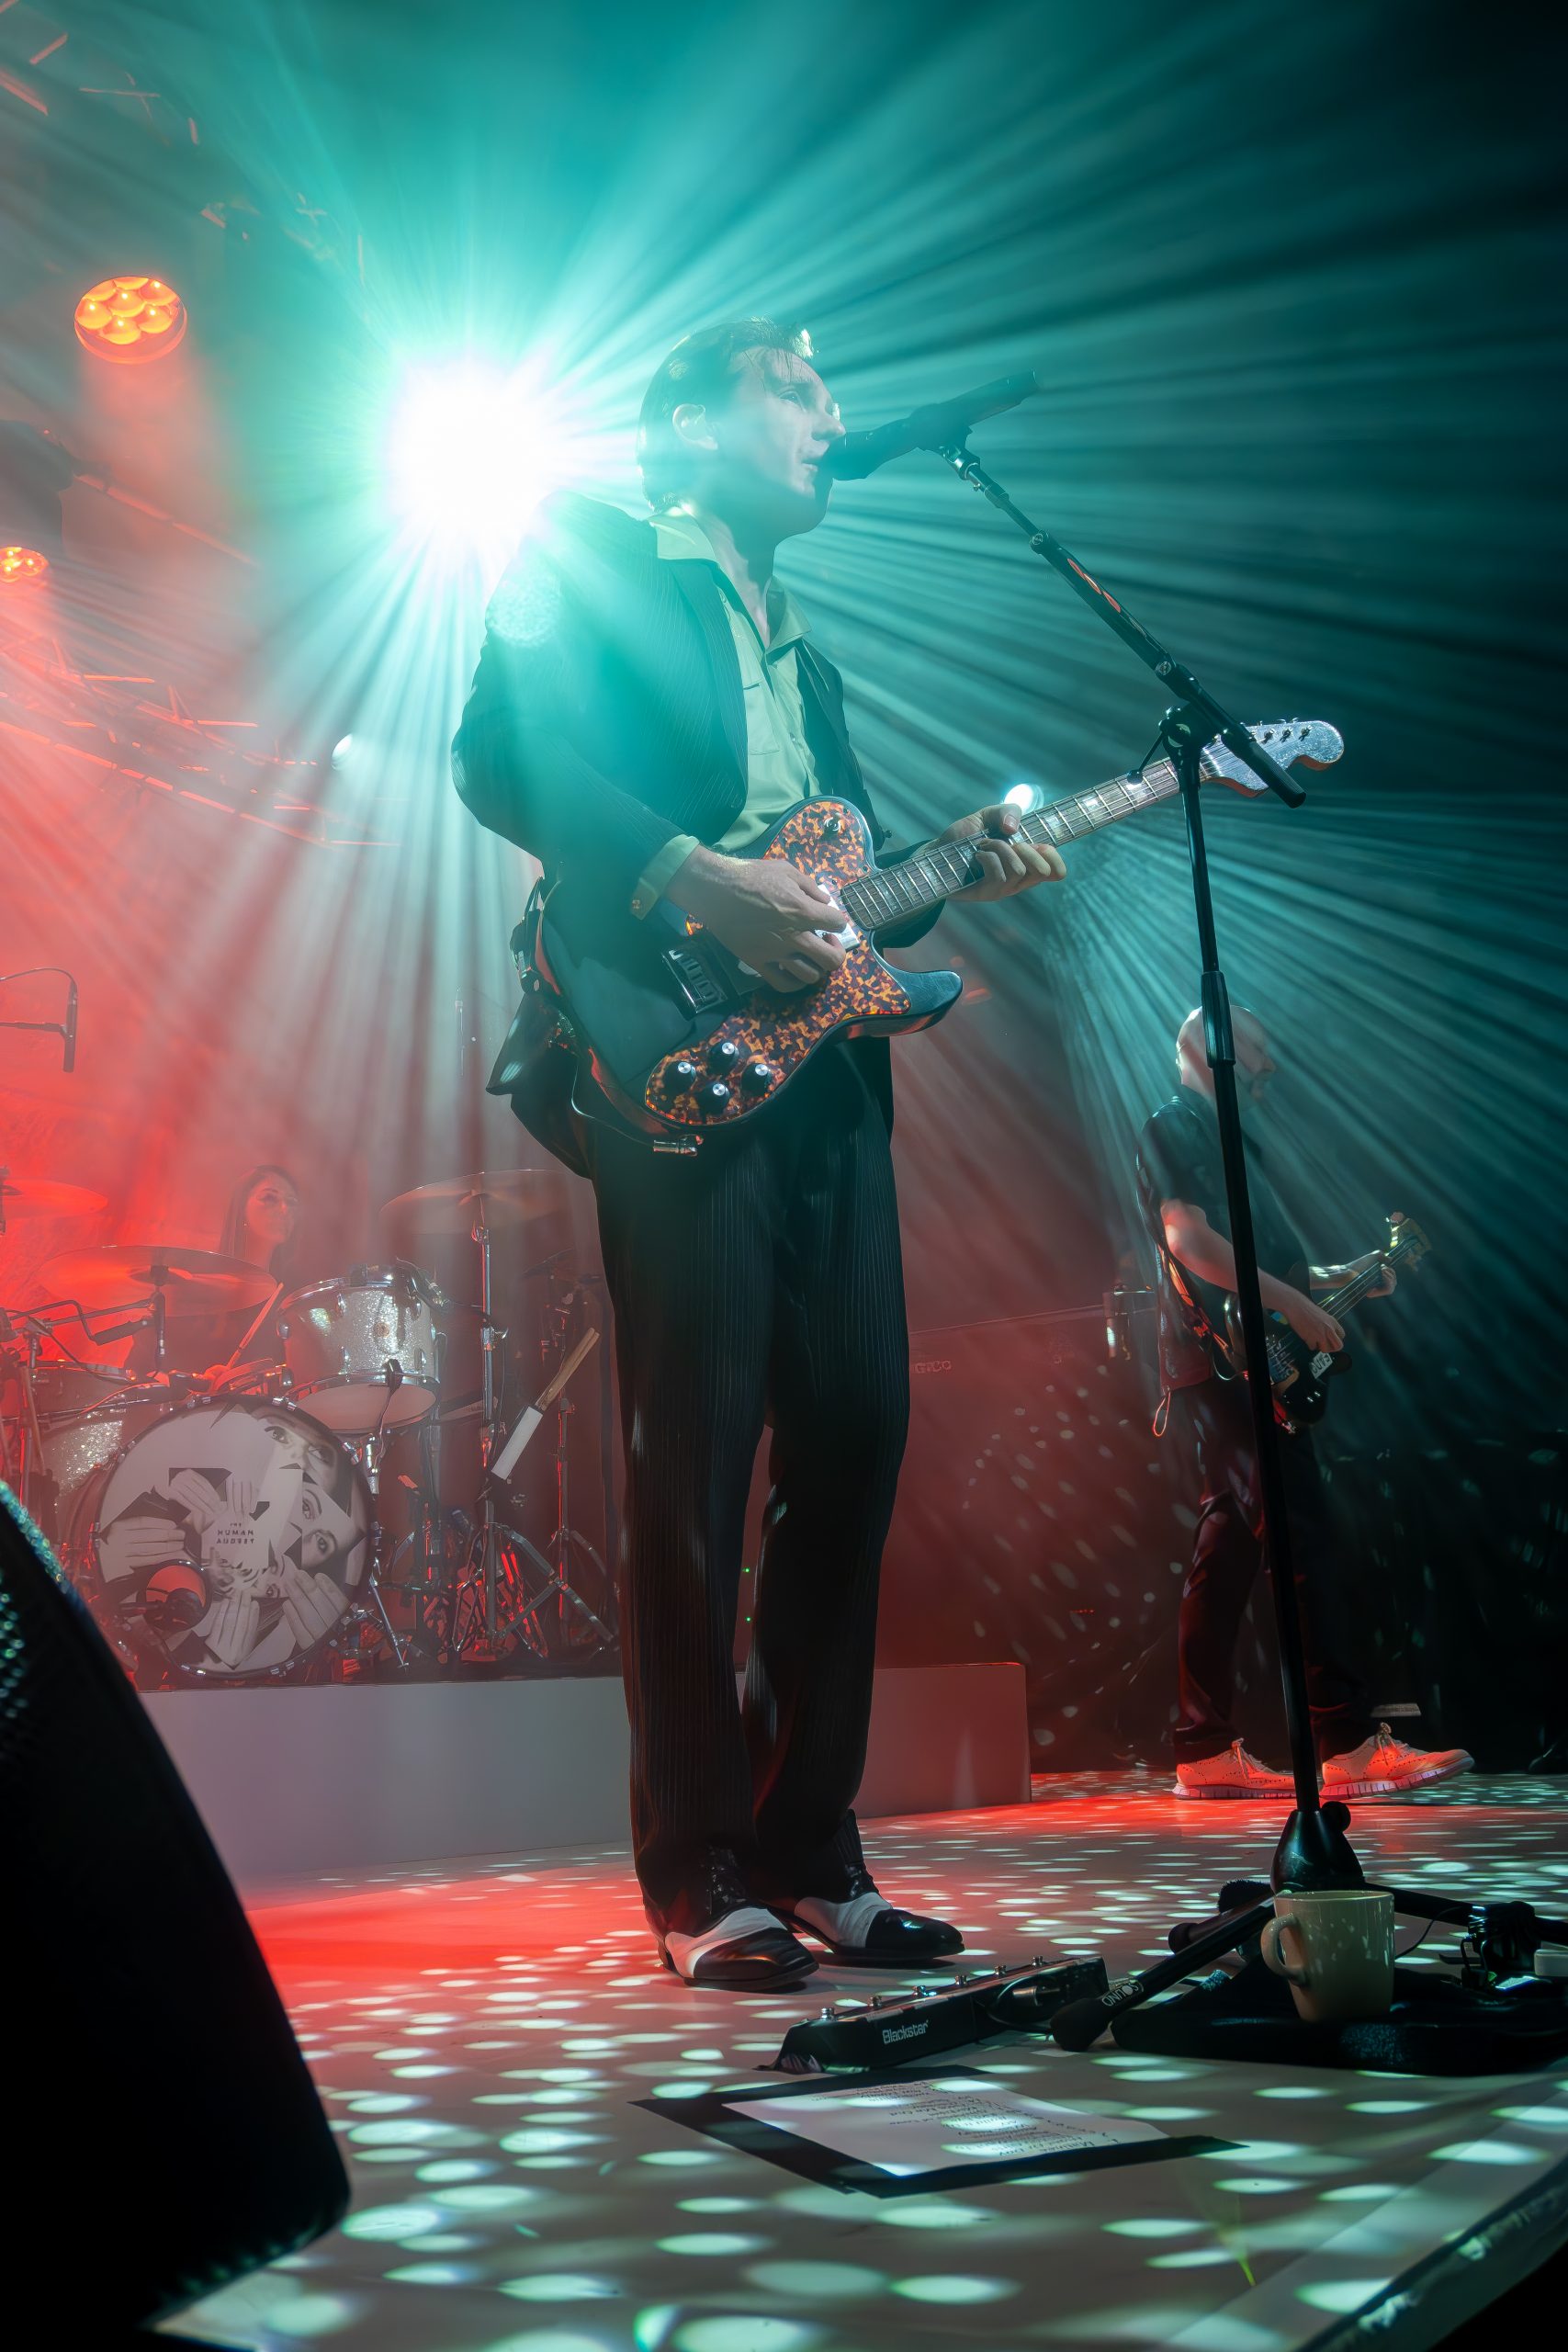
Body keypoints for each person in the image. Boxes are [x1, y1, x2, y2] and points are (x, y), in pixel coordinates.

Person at [454, 319, 1063, 1984]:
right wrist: (689, 875)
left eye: (825, 394)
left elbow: (840, 897)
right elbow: (497, 753)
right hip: (667, 1043)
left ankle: (810, 1852)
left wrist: (959, 865)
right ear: (684, 420)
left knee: (854, 1436)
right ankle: (694, 1872)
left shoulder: (811, 656)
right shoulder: (585, 554)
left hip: (829, 1073)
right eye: (793, 390)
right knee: (695, 1458)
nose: (828, 416)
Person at [1136, 1006, 1472, 1802]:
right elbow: (1189, 1241)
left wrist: (1335, 1277)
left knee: (1227, 1553)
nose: (1267, 1064)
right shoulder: (1174, 1125)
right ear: (1208, 1044)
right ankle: (1345, 1744)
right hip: (1225, 1363)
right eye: (1257, 1047)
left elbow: (1259, 1261)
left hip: (1232, 1360)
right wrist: (1291, 1300)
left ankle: (1202, 1748)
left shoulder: (1228, 1139)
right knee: (1304, 1538)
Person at [126, 1164, 300, 1380]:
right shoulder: (193, 1288)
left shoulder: (291, 1299)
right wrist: (195, 1383)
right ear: (240, 1208)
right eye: (269, 1198)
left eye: (292, 1202)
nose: (284, 1209)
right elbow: (141, 1370)